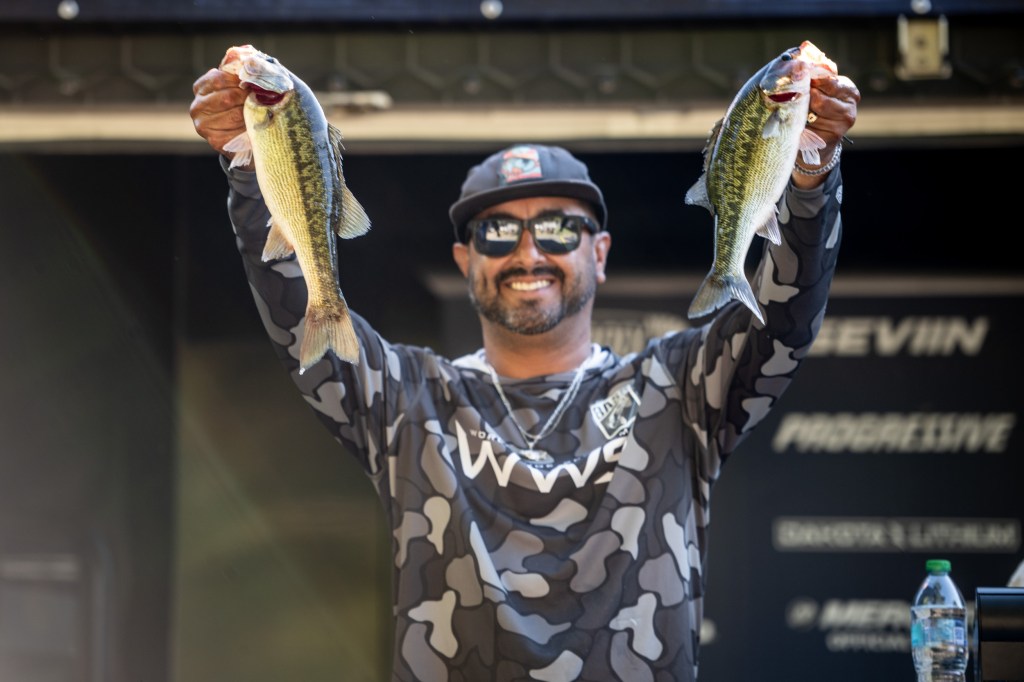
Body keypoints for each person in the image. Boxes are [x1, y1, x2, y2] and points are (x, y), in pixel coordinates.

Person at [189, 51, 860, 682]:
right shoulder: (409, 398)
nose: (529, 252)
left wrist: (810, 174)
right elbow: (297, 311)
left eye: (560, 228)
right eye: (498, 232)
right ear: (465, 260)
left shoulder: (679, 389)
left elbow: (784, 320)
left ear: (599, 253)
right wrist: (251, 168)